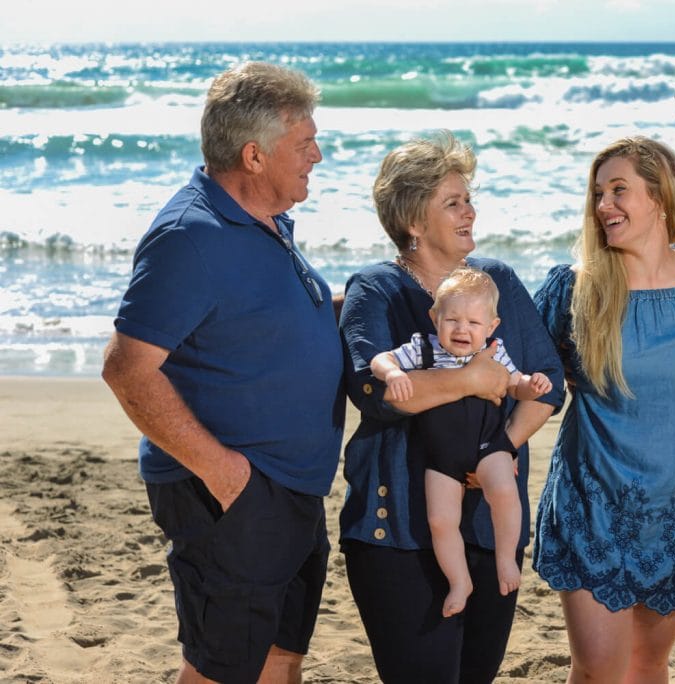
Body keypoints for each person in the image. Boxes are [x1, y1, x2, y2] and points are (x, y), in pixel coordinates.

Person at [101, 62, 343, 684]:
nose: (318, 154)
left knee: (280, 659)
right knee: (221, 671)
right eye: (305, 142)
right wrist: (227, 475)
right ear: (255, 156)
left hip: (289, 489)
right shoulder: (190, 236)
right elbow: (127, 369)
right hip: (231, 497)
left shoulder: (265, 221)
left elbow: (267, 318)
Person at [339, 131, 565, 683]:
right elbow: (371, 390)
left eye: (469, 198)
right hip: (397, 531)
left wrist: (497, 452)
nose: (470, 211)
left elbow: (550, 384)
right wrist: (471, 380)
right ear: (414, 220)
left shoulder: (499, 282)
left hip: (492, 526)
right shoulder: (376, 289)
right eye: (453, 202)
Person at [532, 137, 675, 682]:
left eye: (619, 190)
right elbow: (528, 379)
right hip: (594, 507)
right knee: (597, 672)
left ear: (661, 196)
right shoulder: (576, 289)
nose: (604, 206)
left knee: (647, 665)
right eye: (598, 194)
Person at [372, 266, 553, 617]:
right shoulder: (423, 349)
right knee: (440, 520)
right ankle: (460, 581)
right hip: (441, 456)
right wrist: (393, 372)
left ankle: (505, 560)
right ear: (434, 317)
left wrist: (532, 386)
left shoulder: (494, 351)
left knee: (503, 492)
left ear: (491, 327)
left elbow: (516, 383)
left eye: (473, 323)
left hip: (489, 445)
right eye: (452, 319)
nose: (462, 329)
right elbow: (381, 359)